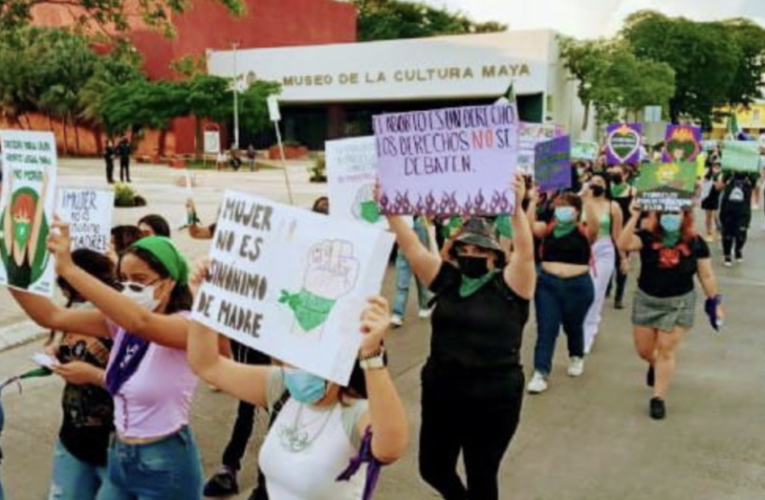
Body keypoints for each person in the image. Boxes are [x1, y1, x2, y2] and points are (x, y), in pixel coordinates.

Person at [10, 229, 204, 499]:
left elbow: (142, 323)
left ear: (169, 282)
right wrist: (10, 267)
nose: (128, 288)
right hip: (120, 454)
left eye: (140, 280)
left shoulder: (187, 326)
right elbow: (50, 315)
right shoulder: (120, 324)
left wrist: (69, 268)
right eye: (122, 280)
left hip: (166, 462)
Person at [386, 175, 536, 500]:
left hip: (494, 395)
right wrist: (391, 211)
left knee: (482, 473)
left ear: (495, 256)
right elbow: (411, 247)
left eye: (480, 249)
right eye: (464, 247)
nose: (471, 253)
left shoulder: (513, 286)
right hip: (443, 388)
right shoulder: (448, 280)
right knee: (432, 467)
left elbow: (525, 254)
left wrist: (516, 209)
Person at [187, 288, 409, 500]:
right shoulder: (281, 387)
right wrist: (203, 304)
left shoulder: (356, 412)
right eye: (289, 354)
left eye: (305, 357)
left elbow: (390, 448)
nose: (292, 365)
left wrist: (371, 355)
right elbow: (208, 366)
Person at [618, 204, 722, 419]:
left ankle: (658, 397)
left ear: (685, 216)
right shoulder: (646, 237)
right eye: (665, 213)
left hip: (679, 302)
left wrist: (715, 302)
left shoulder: (696, 243)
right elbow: (623, 243)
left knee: (666, 349)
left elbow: (707, 275)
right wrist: (635, 214)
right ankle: (655, 365)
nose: (670, 217)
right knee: (645, 351)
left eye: (675, 213)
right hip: (647, 300)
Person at [47, 249, 121, 500]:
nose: (63, 291)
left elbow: (142, 387)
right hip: (73, 441)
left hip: (116, 449)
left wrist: (92, 374)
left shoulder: (124, 320)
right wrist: (55, 351)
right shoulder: (73, 311)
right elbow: (61, 333)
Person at [527, 192, 598, 394]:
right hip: (548, 285)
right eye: (559, 206)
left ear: (576, 211)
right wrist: (532, 200)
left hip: (578, 287)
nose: (562, 209)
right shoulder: (547, 228)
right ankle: (541, 371)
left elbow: (595, 227)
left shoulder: (584, 230)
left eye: (567, 206)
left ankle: (576, 356)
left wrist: (589, 201)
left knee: (573, 326)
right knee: (546, 328)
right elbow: (529, 226)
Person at [581, 173, 623, 353]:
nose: (595, 184)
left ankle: (587, 333)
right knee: (583, 292)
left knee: (596, 292)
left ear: (606, 186)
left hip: (604, 250)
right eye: (593, 181)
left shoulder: (613, 206)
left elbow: (618, 236)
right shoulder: (582, 202)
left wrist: (624, 258)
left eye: (600, 181)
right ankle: (589, 320)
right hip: (582, 249)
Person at [0, 170, 50, 289]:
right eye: (18, 217)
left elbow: (37, 219)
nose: (22, 222)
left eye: (26, 218)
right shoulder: (9, 243)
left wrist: (44, 186)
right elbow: (7, 214)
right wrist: (10, 185)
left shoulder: (30, 248)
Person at [390, 216, 433, 327]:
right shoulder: (421, 219)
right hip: (417, 225)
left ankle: (397, 314)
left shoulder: (401, 215)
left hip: (404, 248)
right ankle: (424, 307)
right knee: (421, 279)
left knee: (402, 285)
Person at [608, 165, 637, 309]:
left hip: (624, 231)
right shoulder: (607, 190)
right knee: (608, 261)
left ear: (625, 175)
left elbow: (635, 211)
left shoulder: (632, 191)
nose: (614, 175)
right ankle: (606, 287)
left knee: (622, 263)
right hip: (607, 230)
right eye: (612, 172)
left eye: (617, 173)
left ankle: (619, 296)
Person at [719, 172, 753, 266]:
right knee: (727, 234)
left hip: (743, 212)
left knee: (741, 234)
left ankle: (738, 249)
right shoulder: (729, 180)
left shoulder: (748, 183)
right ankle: (727, 254)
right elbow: (723, 180)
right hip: (728, 210)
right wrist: (730, 171)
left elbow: (754, 178)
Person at [700, 162, 725, 243]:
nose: (716, 169)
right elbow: (702, 185)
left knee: (717, 215)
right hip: (708, 197)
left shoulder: (722, 176)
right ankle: (709, 232)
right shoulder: (707, 175)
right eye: (715, 167)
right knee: (708, 216)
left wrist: (717, 182)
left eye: (718, 167)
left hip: (717, 197)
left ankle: (719, 231)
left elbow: (720, 188)